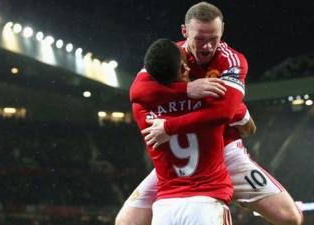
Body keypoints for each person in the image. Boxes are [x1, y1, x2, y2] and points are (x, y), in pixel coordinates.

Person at [116, 2, 303, 225]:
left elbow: (225, 112)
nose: (206, 47)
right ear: (185, 32)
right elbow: (137, 90)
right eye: (199, 39)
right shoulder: (171, 56)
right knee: (126, 222)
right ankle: (221, 192)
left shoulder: (230, 60)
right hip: (182, 163)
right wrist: (187, 89)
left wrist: (168, 125)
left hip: (224, 152)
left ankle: (228, 191)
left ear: (222, 30)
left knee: (290, 217)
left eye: (213, 38)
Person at [131, 38, 240, 225]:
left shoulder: (141, 107)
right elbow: (231, 114)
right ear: (183, 67)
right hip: (206, 202)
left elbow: (136, 92)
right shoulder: (210, 99)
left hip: (165, 209)